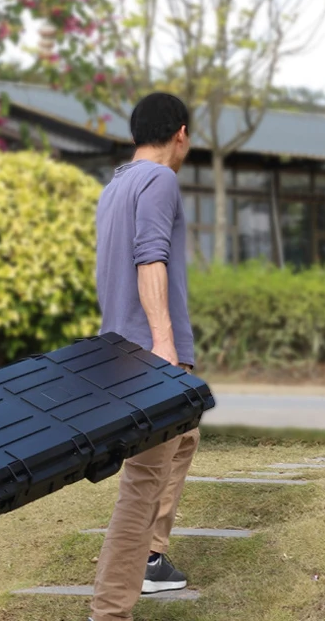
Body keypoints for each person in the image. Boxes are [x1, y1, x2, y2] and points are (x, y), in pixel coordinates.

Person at [89, 93, 200, 621]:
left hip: (120, 349)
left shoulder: (115, 187)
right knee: (140, 486)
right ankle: (112, 610)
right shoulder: (161, 180)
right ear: (180, 133)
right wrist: (165, 348)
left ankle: (153, 556)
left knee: (185, 438)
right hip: (149, 356)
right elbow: (150, 257)